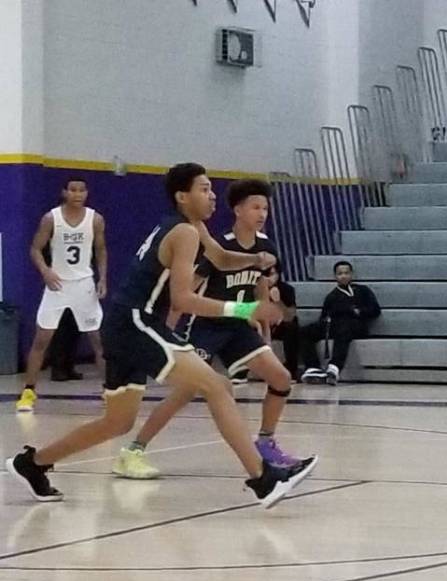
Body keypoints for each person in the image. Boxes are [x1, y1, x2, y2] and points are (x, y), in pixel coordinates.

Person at [5, 163, 317, 508]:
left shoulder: (193, 228)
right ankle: (263, 479)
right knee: (216, 385)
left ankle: (31, 464)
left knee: (117, 422)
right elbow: (184, 299)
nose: (212, 195)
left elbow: (221, 258)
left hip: (126, 325)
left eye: (212, 188)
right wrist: (243, 310)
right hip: (137, 321)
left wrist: (254, 259)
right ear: (182, 196)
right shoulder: (183, 233)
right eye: (204, 188)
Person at [111, 178, 306, 479]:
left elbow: (260, 288)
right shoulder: (217, 246)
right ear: (238, 210)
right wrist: (168, 333)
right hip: (204, 326)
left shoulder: (266, 247)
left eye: (265, 208)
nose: (262, 213)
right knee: (186, 392)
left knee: (280, 377)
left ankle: (266, 443)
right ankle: (135, 448)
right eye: (255, 206)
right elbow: (187, 291)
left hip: (238, 328)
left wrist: (264, 330)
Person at [16, 178, 107, 413]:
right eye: (73, 190)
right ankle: (28, 391)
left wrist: (103, 278)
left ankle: (110, 390)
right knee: (41, 339)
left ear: (87, 193)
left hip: (84, 284)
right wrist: (45, 271)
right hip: (57, 285)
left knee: (98, 340)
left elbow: (100, 250)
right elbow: (35, 248)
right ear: (64, 192)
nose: (77, 194)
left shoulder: (95, 219)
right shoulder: (51, 218)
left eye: (82, 190)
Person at [300, 260, 381, 385]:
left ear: (351, 274)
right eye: (340, 273)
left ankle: (334, 367)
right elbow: (324, 316)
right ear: (335, 276)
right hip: (335, 326)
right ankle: (313, 367)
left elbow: (375, 310)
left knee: (344, 327)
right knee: (305, 331)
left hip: (357, 326)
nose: (343, 276)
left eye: (346, 273)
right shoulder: (332, 296)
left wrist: (358, 311)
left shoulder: (363, 291)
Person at [268, 266, 300, 382]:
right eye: (266, 274)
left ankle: (291, 370)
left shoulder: (287, 289)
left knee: (292, 327)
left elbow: (289, 317)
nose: (270, 278)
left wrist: (277, 301)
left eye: (273, 274)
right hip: (261, 324)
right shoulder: (255, 289)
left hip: (280, 326)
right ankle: (240, 371)